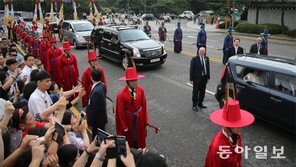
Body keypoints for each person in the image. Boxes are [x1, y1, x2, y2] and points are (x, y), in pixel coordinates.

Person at [205, 99, 255, 167]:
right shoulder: (216, 147)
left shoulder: (237, 136)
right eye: (236, 125)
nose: (239, 127)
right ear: (227, 125)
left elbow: (238, 158)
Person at [115, 67, 149, 149]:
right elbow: (120, 112)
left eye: (135, 80)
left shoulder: (141, 90)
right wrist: (124, 127)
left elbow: (144, 106)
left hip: (139, 120)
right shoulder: (121, 95)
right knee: (130, 140)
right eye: (132, 80)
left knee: (139, 139)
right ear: (127, 81)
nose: (134, 82)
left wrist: (145, 121)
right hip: (129, 121)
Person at [86, 68, 107, 139]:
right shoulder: (103, 85)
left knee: (96, 138)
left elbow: (93, 110)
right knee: (101, 135)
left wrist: (90, 123)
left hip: (97, 121)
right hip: (102, 117)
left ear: (91, 78)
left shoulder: (95, 92)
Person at [189, 47, 210, 111]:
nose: (202, 52)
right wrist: (191, 79)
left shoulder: (206, 58)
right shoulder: (194, 59)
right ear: (198, 51)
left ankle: (200, 103)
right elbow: (191, 70)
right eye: (201, 51)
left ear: (205, 52)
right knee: (195, 92)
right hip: (197, 79)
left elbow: (208, 68)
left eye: (203, 51)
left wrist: (208, 77)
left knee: (202, 91)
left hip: (204, 78)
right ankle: (194, 105)